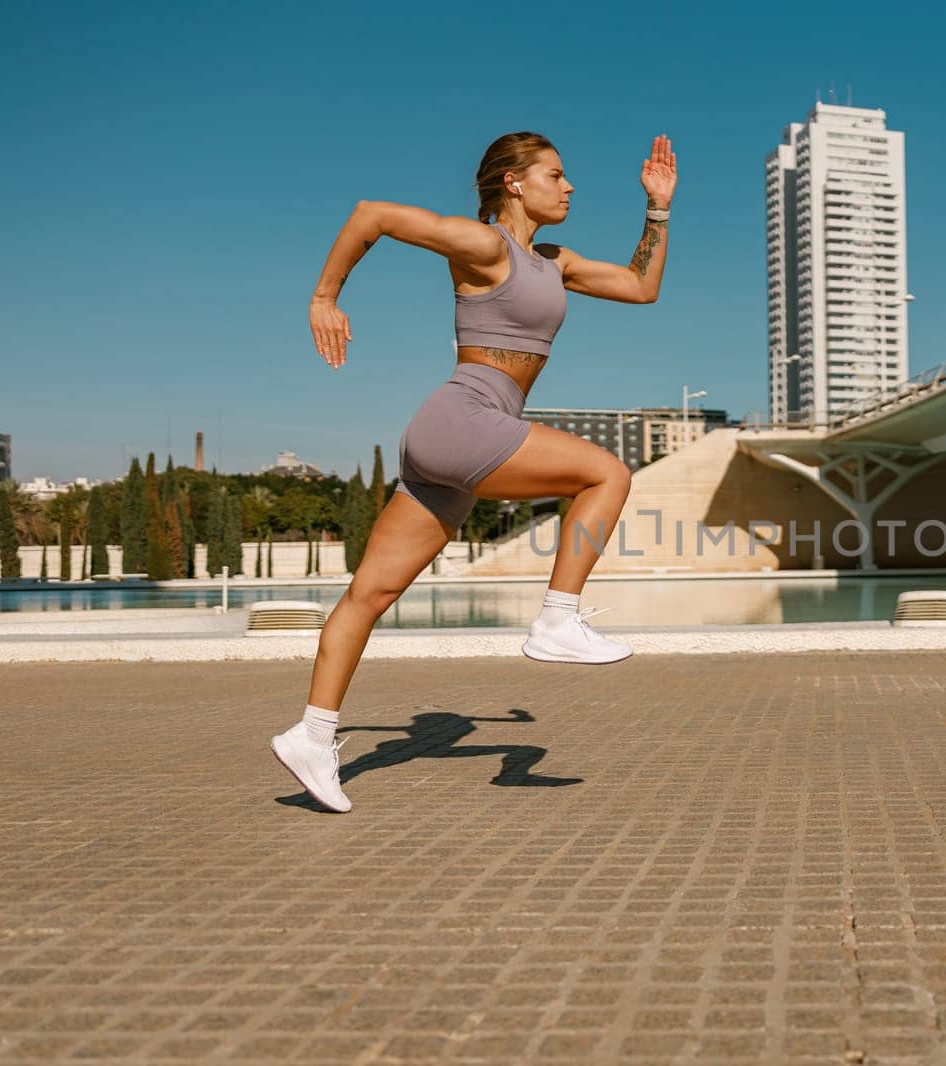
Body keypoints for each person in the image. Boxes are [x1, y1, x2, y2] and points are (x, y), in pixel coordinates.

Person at [270, 131, 677, 813]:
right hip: (466, 420)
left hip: (451, 440)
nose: (569, 186)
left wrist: (657, 210)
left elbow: (641, 288)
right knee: (607, 473)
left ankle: (312, 734)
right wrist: (323, 297)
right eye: (556, 174)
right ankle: (557, 618)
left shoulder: (554, 261)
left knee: (368, 596)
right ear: (514, 183)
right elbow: (371, 212)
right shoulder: (484, 245)